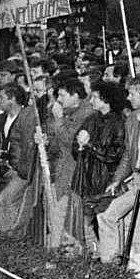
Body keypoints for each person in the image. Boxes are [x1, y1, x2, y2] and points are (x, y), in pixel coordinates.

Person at [98, 77, 140, 276]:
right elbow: (128, 154)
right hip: (136, 178)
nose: (128, 98)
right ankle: (138, 268)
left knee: (108, 216)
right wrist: (117, 179)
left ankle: (110, 266)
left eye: (132, 93)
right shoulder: (133, 118)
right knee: (133, 224)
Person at [71, 81, 127, 258]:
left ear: (106, 99)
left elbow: (114, 155)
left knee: (102, 218)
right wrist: (80, 146)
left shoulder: (118, 123)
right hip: (87, 179)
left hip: (105, 181)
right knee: (87, 220)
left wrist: (90, 145)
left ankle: (109, 257)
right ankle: (95, 254)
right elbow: (76, 146)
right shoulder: (90, 120)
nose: (91, 100)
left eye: (95, 97)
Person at [45, 78, 96, 251]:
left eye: (62, 95)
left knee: (76, 218)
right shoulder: (69, 113)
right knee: (60, 214)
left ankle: (88, 253)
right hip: (64, 172)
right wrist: (46, 141)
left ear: (75, 95)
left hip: (77, 173)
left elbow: (70, 141)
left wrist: (59, 119)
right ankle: (61, 251)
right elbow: (57, 143)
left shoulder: (86, 114)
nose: (59, 99)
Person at [0, 83, 40, 239]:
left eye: (1, 97)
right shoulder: (1, 119)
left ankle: (10, 234)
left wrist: (19, 168)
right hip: (5, 167)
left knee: (4, 199)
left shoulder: (28, 117)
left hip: (21, 170)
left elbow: (27, 147)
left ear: (13, 99)